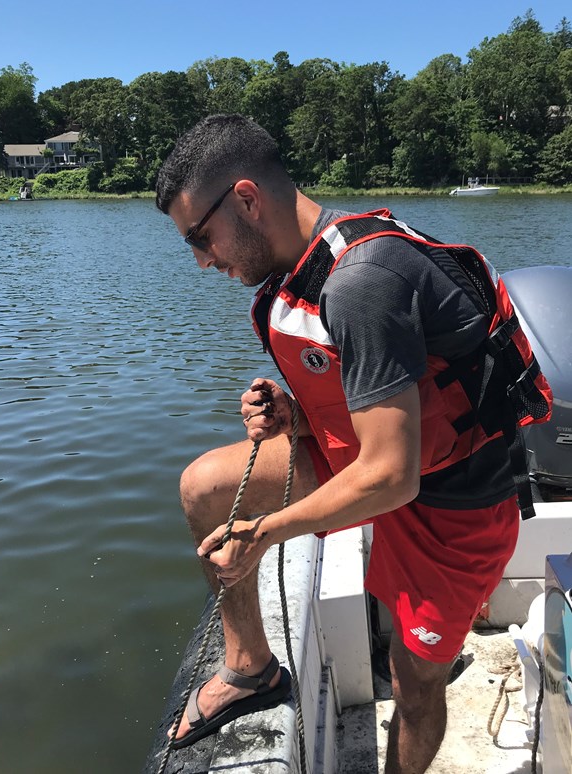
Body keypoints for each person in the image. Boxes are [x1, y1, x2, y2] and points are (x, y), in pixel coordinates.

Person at [154, 115, 551, 773]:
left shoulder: (361, 280)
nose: (201, 260)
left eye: (201, 237)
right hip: (392, 462)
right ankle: (252, 669)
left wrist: (265, 532)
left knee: (415, 676)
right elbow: (378, 400)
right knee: (205, 487)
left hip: (454, 510)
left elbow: (393, 476)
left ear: (247, 199)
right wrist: (294, 415)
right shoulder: (317, 260)